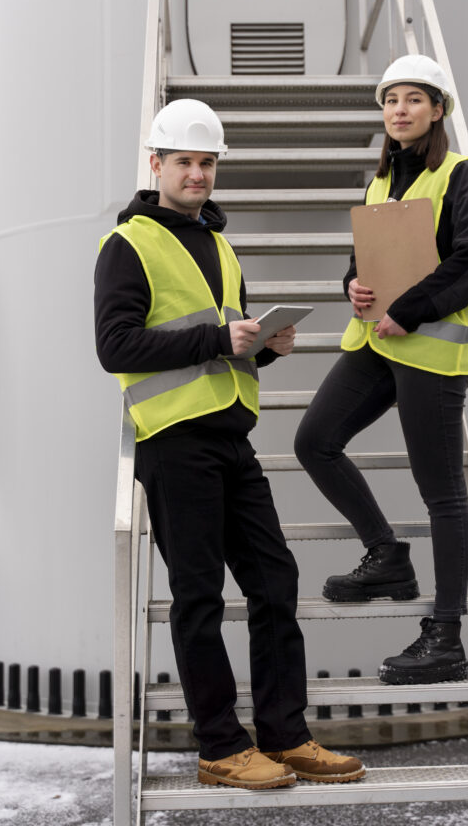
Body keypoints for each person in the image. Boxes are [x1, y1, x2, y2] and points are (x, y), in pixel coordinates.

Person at [94, 98, 364, 790]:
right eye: (184, 161)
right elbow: (115, 346)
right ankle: (219, 746)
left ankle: (285, 735)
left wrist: (265, 345)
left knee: (275, 580)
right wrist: (222, 337)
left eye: (207, 163)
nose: (197, 174)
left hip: (230, 437)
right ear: (156, 165)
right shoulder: (128, 245)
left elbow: (226, 341)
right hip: (173, 442)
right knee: (199, 596)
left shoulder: (217, 243)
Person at [294, 55, 468, 685]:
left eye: (413, 99)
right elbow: (363, 257)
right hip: (376, 343)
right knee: (314, 441)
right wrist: (353, 285)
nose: (399, 110)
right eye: (391, 100)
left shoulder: (459, 176)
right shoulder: (381, 181)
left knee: (442, 494)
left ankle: (446, 636)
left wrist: (411, 310)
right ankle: (386, 553)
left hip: (431, 352)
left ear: (437, 110)